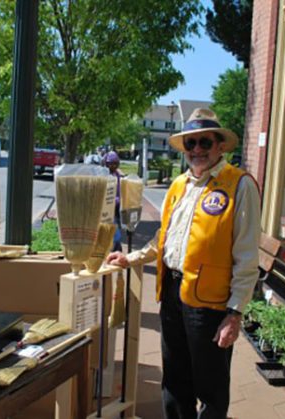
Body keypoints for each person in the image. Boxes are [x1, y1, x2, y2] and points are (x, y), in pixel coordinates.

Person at [105, 108, 260, 419]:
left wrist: (235, 313)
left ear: (220, 146)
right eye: (191, 144)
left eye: (204, 143)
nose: (197, 151)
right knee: (175, 378)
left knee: (211, 385)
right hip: (174, 292)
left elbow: (246, 255)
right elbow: (165, 238)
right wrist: (130, 258)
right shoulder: (179, 186)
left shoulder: (239, 185)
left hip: (211, 304)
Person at [104, 151, 124, 252]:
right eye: (110, 163)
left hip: (115, 209)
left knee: (116, 232)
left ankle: (116, 250)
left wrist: (117, 200)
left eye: (115, 163)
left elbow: (120, 193)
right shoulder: (103, 175)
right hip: (104, 208)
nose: (113, 165)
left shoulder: (118, 176)